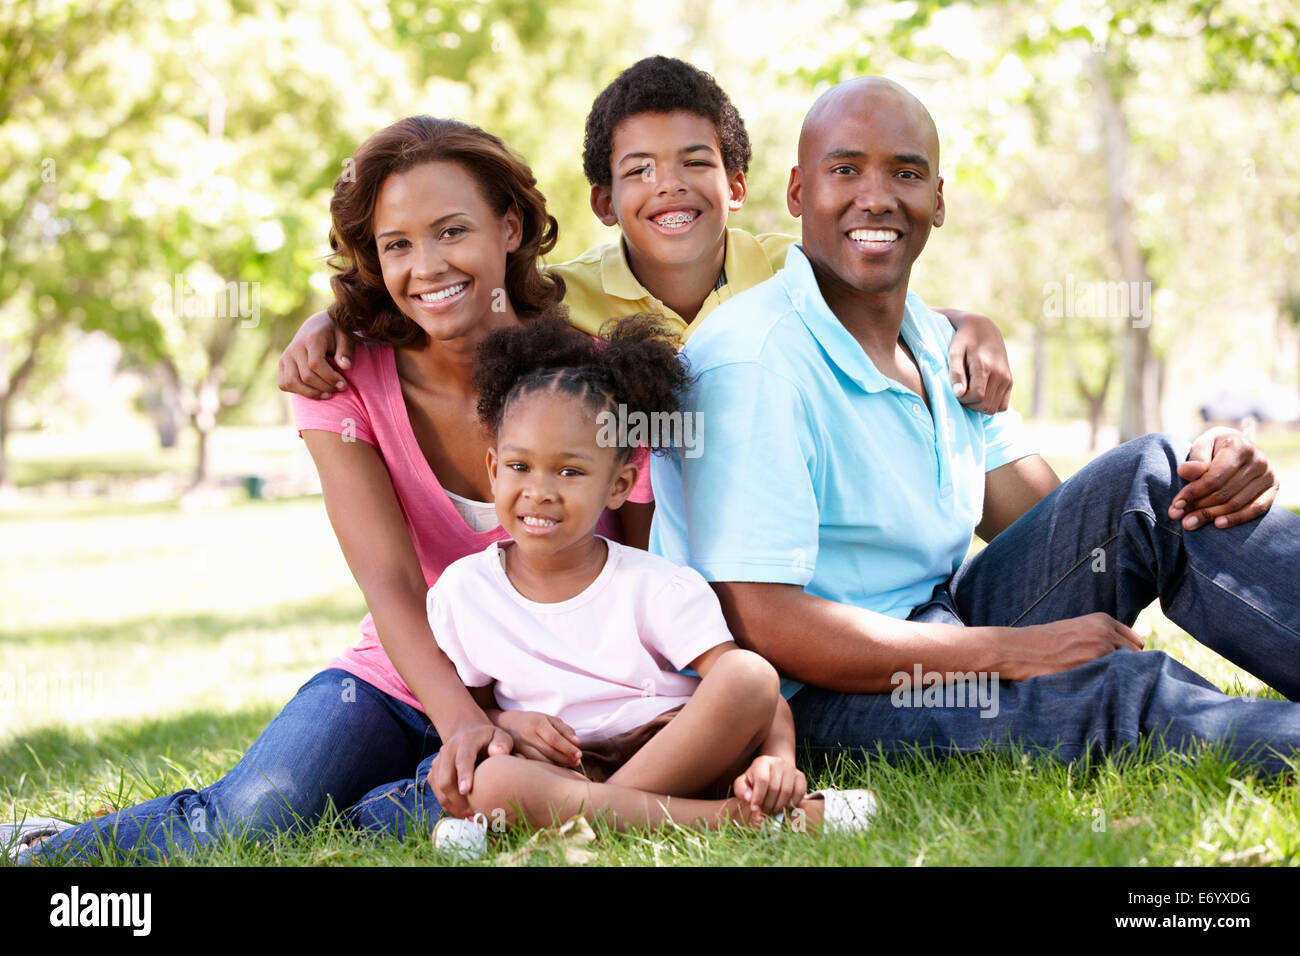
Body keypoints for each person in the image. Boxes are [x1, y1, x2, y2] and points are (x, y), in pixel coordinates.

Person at [12, 116, 635, 864]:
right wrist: (466, 720)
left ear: (509, 227)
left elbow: (632, 575)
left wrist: (544, 715)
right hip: (402, 677)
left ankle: (407, 798)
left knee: (402, 824)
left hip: (553, 695)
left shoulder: (598, 381)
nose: (427, 265)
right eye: (396, 244)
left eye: (451, 231)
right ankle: (46, 854)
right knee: (253, 818)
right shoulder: (341, 380)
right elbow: (393, 584)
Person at [650, 76, 1300, 776]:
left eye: (905, 172)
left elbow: (1067, 523)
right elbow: (761, 622)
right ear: (798, 193)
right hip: (810, 699)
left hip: (938, 624)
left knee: (1162, 479)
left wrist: (1210, 468)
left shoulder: (937, 345)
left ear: (937, 199)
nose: (876, 196)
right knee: (1114, 696)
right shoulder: (751, 362)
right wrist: (1011, 652)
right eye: (845, 170)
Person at [277, 57, 1015, 422]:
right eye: (639, 171)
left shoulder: (783, 268)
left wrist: (966, 322)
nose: (669, 186)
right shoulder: (560, 298)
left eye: (696, 163)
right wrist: (333, 320)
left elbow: (873, 310)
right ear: (603, 201)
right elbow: (464, 303)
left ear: (735, 185)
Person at [426, 312, 875, 839]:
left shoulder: (653, 584)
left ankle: (587, 829)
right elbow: (478, 711)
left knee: (749, 673)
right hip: (564, 767)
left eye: (570, 471)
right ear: (493, 468)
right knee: (494, 779)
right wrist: (510, 724)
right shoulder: (463, 591)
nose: (540, 491)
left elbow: (759, 695)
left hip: (674, 752)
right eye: (520, 467)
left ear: (619, 485)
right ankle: (726, 823)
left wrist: (778, 759)